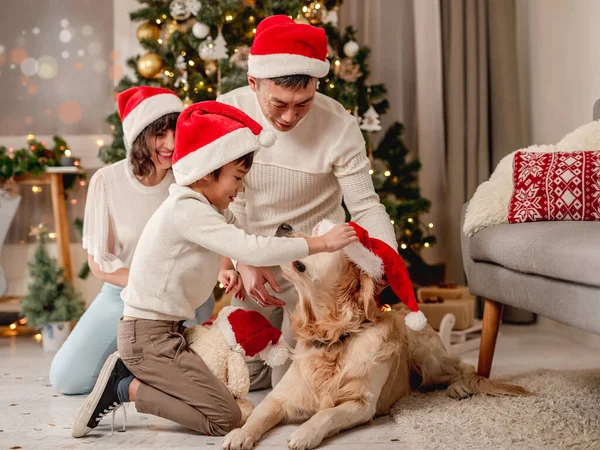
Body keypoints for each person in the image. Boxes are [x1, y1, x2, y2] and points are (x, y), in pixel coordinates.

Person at [71, 101, 358, 438]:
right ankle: (126, 387)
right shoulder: (187, 209)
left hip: (168, 331)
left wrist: (247, 263)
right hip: (148, 337)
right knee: (225, 418)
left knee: (223, 403)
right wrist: (319, 245)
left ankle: (137, 380)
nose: (240, 189)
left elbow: (242, 240)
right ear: (208, 171)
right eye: (236, 178)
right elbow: (246, 244)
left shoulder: (207, 208)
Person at [217, 15, 398, 388]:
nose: (289, 116)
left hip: (316, 270)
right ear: (253, 83)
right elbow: (218, 203)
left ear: (316, 85)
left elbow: (365, 205)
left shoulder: (339, 126)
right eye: (279, 103)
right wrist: (242, 259)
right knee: (240, 377)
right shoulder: (227, 113)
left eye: (303, 103)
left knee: (298, 383)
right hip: (257, 265)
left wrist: (384, 266)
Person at [49, 86, 215, 395]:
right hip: (123, 294)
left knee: (196, 377)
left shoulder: (187, 179)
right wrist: (147, 286)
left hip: (182, 296)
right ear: (139, 137)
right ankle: (130, 368)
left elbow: (213, 235)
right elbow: (99, 263)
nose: (171, 144)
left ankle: (136, 373)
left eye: (176, 133)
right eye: (159, 135)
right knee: (67, 379)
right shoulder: (107, 181)